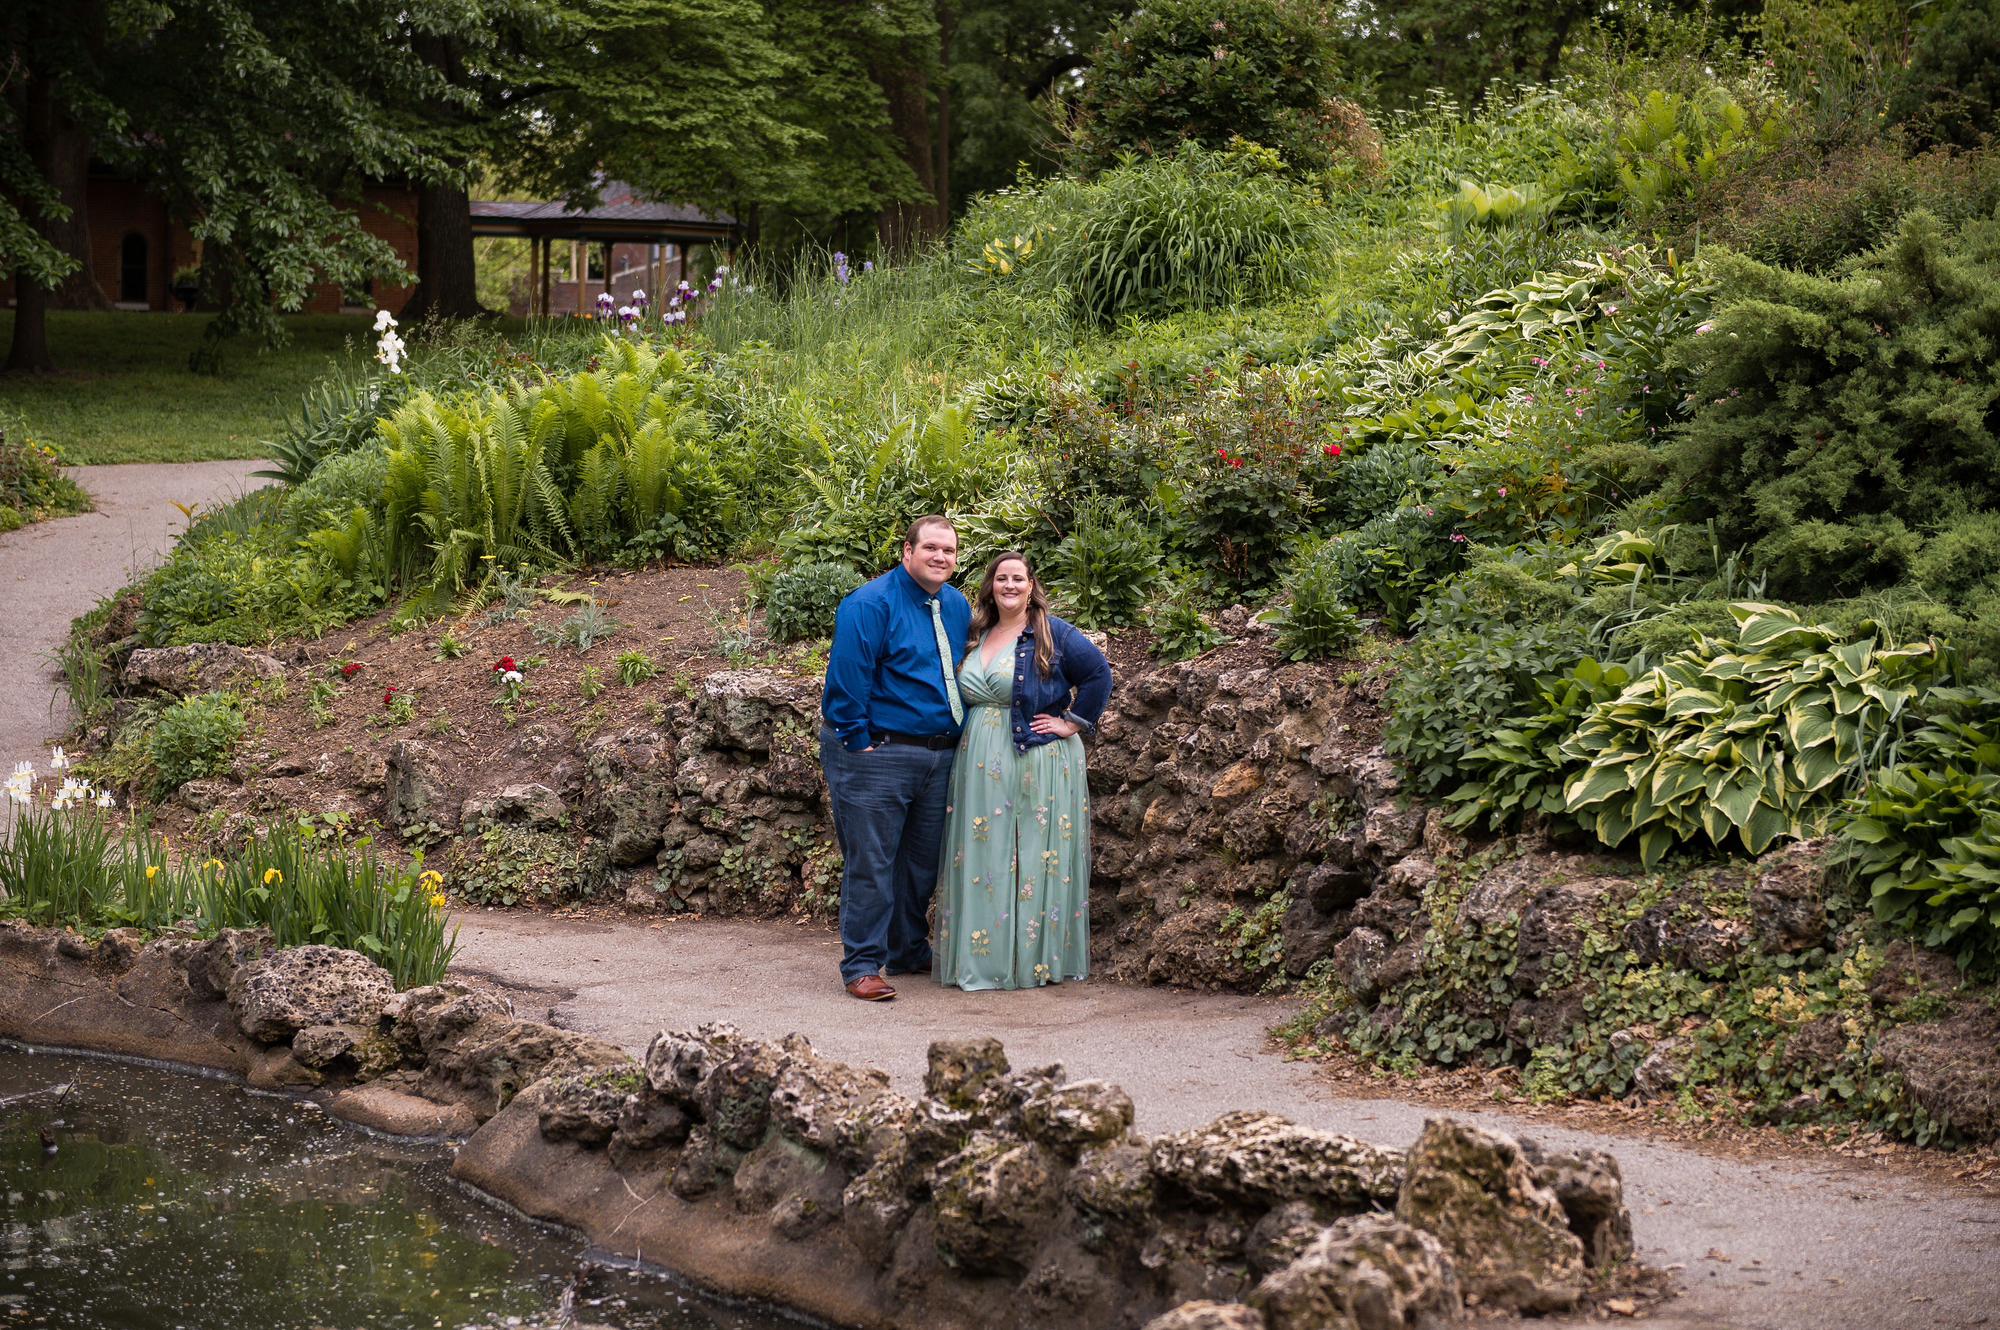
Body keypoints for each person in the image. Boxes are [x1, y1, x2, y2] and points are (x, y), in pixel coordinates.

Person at [935, 552, 1111, 991]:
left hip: (1036, 755)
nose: (1009, 585)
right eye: (1001, 578)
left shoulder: (1053, 632)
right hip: (979, 757)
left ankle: (1030, 960)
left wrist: (1071, 722)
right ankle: (985, 958)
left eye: (1018, 578)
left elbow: (1098, 675)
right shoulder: (977, 633)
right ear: (990, 586)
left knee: (1033, 854)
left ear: (1031, 585)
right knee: (984, 852)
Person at [820, 516, 972, 1001]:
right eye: (930, 548)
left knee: (921, 863)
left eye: (948, 551)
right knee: (873, 861)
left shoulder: (956, 605)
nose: (940, 557)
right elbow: (847, 678)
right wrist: (857, 739)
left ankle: (907, 948)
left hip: (938, 755)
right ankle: (862, 965)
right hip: (877, 752)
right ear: (907, 551)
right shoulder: (869, 603)